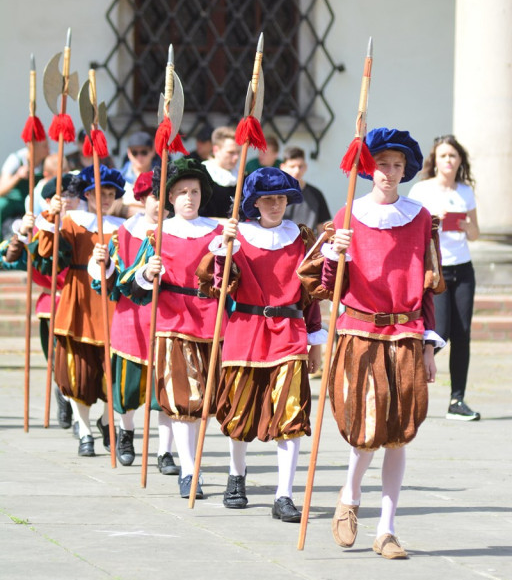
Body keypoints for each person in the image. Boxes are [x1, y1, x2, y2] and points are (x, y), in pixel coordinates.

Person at [299, 128, 445, 558]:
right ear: (369, 168)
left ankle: (387, 529)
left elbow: (428, 286)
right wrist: (334, 253)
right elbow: (329, 288)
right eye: (382, 164)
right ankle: (350, 494)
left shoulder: (420, 218)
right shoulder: (349, 214)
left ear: (406, 170)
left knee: (398, 433)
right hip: (361, 333)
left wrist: (429, 346)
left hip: (406, 334)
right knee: (366, 428)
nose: (389, 172)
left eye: (397, 165)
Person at [199, 167, 325, 522]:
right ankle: (236, 477)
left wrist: (315, 342)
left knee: (292, 414)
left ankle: (284, 494)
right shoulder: (235, 237)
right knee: (238, 412)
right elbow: (218, 286)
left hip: (289, 332)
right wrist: (223, 251)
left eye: (281, 198)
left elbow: (311, 297)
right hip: (246, 331)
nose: (275, 205)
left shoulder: (301, 238)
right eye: (267, 199)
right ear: (254, 202)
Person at [118, 157, 227, 497]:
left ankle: (194, 462)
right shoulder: (158, 235)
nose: (189, 198)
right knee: (181, 400)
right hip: (172, 322)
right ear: (170, 198)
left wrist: (228, 259)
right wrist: (147, 273)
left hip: (211, 322)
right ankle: (189, 470)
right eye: (182, 192)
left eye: (194, 191)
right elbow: (132, 285)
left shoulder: (218, 233)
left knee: (206, 402)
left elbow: (232, 281)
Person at [90, 171, 178, 471]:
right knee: (127, 388)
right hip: (131, 319)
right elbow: (110, 284)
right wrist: (104, 264)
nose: (160, 203)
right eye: (154, 196)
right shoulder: (123, 233)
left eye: (165, 196)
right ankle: (126, 434)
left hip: (169, 318)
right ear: (141, 198)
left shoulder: (179, 231)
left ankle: (165, 451)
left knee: (165, 391)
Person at [36, 165, 126, 457]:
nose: (106, 199)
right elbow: (48, 254)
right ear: (88, 195)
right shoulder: (73, 221)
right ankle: (84, 431)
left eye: (111, 194)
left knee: (112, 375)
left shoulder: (122, 228)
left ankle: (106, 422)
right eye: (100, 193)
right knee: (78, 373)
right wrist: (52, 216)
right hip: (78, 299)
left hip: (110, 302)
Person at [408, 134, 481, 421]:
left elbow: (476, 233)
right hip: (435, 269)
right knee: (440, 333)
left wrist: (464, 225)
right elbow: (410, 230)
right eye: (443, 156)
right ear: (435, 161)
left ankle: (457, 399)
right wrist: (433, 220)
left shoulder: (465, 191)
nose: (448, 160)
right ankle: (407, 376)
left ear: (460, 160)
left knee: (462, 334)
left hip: (463, 268)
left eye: (453, 155)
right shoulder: (422, 190)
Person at [1, 173, 80, 430]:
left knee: (83, 361)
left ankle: (79, 409)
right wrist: (22, 234)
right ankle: (63, 392)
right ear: (48, 201)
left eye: (73, 195)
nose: (68, 200)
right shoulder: (38, 228)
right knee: (58, 358)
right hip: (54, 302)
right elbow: (8, 259)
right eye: (62, 196)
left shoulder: (87, 226)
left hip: (83, 303)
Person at [0, 137, 49, 238]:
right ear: (33, 147)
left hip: (35, 204)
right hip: (14, 204)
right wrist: (17, 176)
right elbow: (1, 190)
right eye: (44, 146)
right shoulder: (16, 159)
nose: (48, 149)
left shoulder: (48, 159)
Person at [280, 146, 331, 236]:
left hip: (309, 243)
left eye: (300, 166)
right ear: (283, 167)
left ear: (306, 167)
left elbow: (322, 230)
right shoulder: (275, 194)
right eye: (292, 166)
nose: (297, 171)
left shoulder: (316, 194)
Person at [200, 126, 241, 219]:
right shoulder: (203, 174)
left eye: (238, 152)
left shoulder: (241, 176)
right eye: (231, 152)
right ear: (216, 150)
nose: (236, 157)